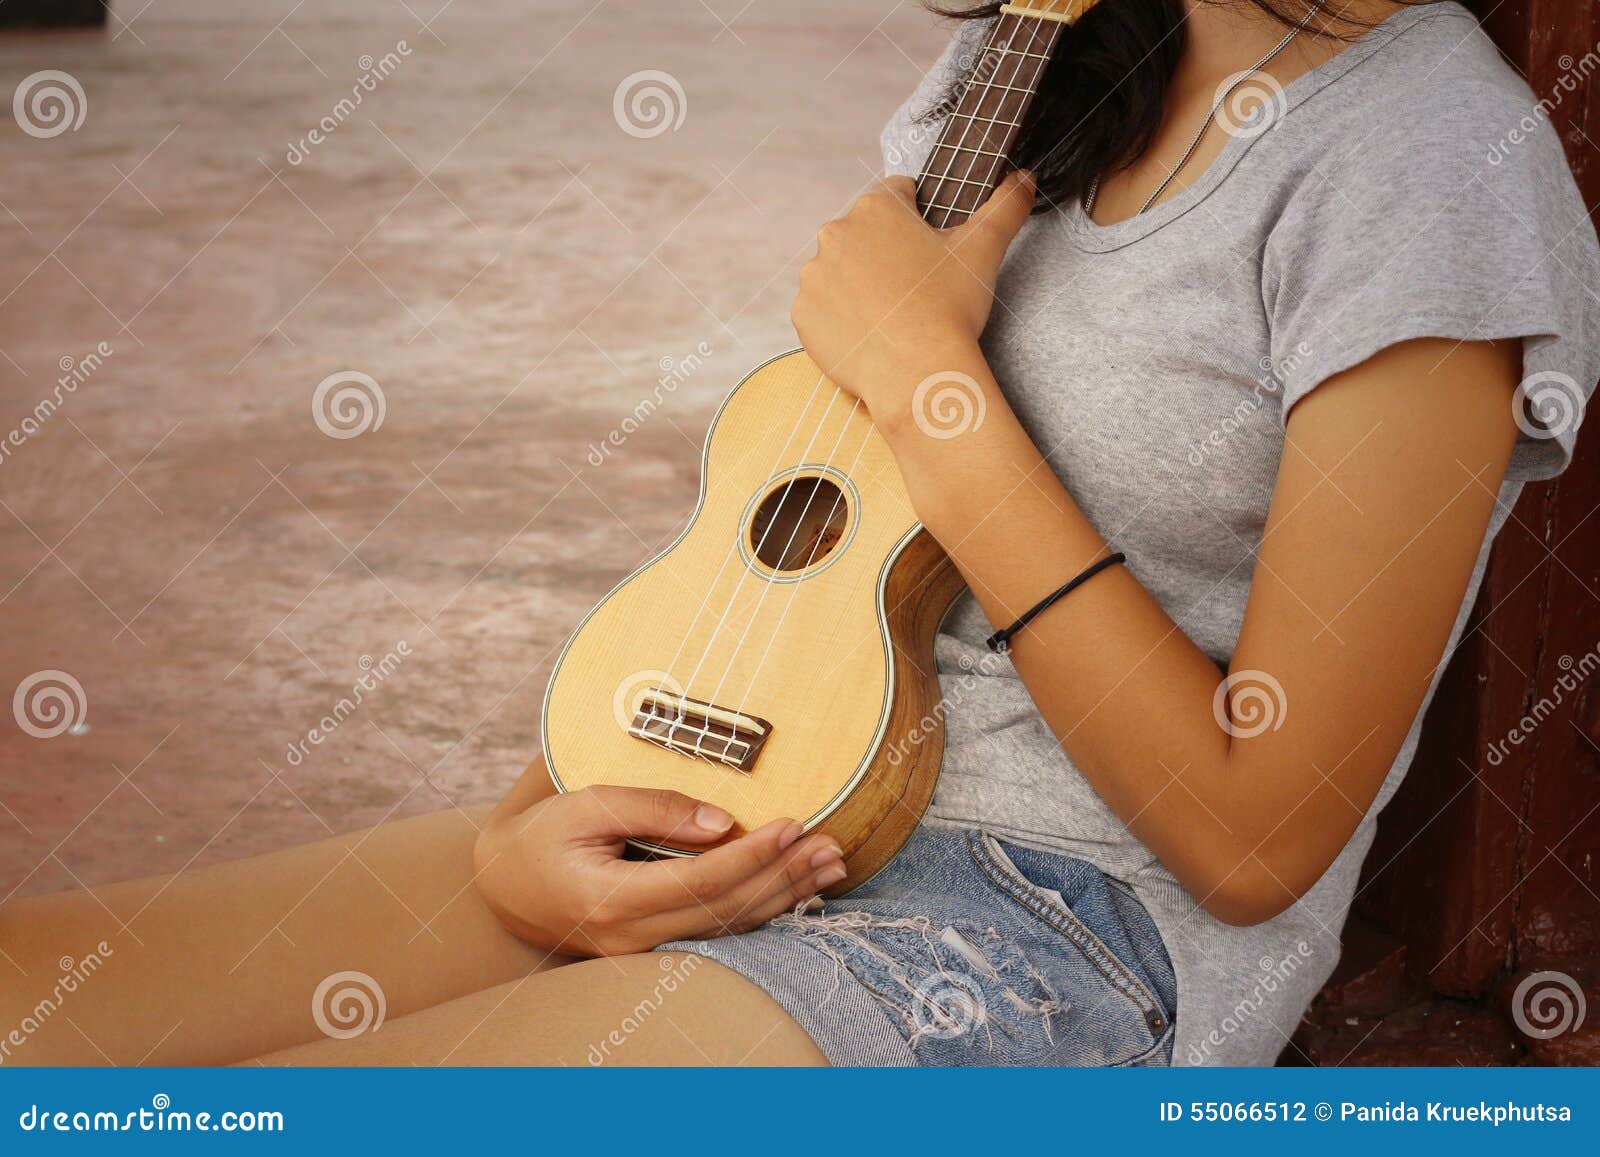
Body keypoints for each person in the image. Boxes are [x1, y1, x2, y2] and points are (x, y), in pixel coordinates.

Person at [5, 0, 1596, 1067]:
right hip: (748, 789)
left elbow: (1255, 836)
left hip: (1059, 925)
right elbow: (812, 505)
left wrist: (932, 382)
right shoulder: (1035, 58)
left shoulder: (1427, 163)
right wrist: (531, 828)